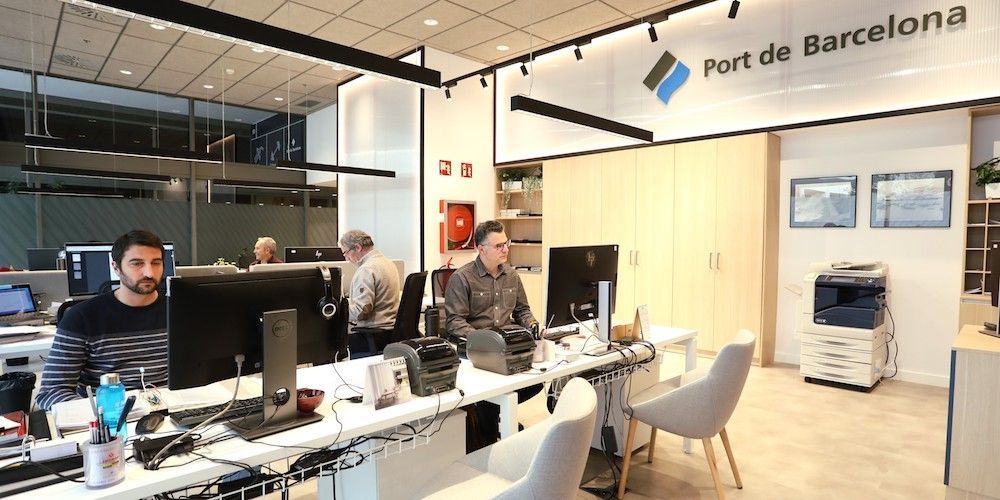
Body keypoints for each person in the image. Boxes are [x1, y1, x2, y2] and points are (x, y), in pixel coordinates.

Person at [36, 230, 168, 411]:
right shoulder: (82, 317)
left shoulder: (180, 309)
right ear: (116, 267)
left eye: (156, 263)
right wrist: (100, 414)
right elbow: (51, 392)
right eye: (137, 263)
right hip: (110, 416)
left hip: (173, 409)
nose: (149, 272)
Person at [444, 220, 541, 449]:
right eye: (499, 246)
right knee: (491, 395)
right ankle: (487, 437)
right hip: (476, 351)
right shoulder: (462, 278)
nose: (505, 249)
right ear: (481, 249)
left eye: (506, 243)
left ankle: (493, 415)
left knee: (537, 381)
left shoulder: (512, 275)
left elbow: (522, 311)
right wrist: (484, 340)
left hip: (506, 349)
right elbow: (454, 322)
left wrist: (534, 325)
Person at [339, 230, 401, 355]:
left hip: (373, 337)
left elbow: (361, 312)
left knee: (329, 345)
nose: (346, 258)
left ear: (357, 247)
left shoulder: (366, 270)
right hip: (391, 333)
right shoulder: (388, 263)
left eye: (346, 253)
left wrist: (339, 311)